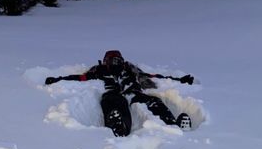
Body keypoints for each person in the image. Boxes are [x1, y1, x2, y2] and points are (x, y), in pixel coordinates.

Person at [45, 50, 194, 136]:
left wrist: (179, 79)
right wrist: (59, 79)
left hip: (132, 93)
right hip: (115, 94)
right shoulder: (100, 70)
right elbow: (82, 77)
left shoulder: (129, 69)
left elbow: (150, 77)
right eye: (112, 60)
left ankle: (173, 125)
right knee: (113, 103)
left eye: (117, 60)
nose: (115, 62)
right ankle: (118, 128)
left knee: (154, 102)